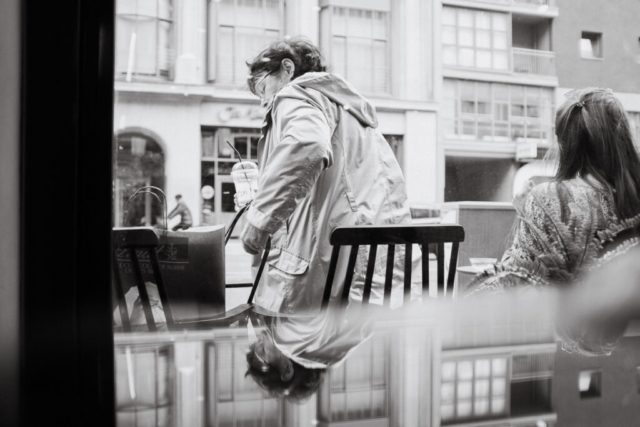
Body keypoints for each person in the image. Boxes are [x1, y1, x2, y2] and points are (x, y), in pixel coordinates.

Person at [240, 38, 412, 313]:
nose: (263, 101)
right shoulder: (352, 114)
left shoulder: (296, 95)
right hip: (370, 272)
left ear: (287, 68)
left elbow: (307, 145)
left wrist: (261, 217)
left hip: (324, 275)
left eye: (262, 87)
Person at [465, 88, 640, 296]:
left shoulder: (549, 198)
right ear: (622, 137)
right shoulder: (632, 195)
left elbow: (515, 277)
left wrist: (527, 217)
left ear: (565, 144)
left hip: (574, 323)